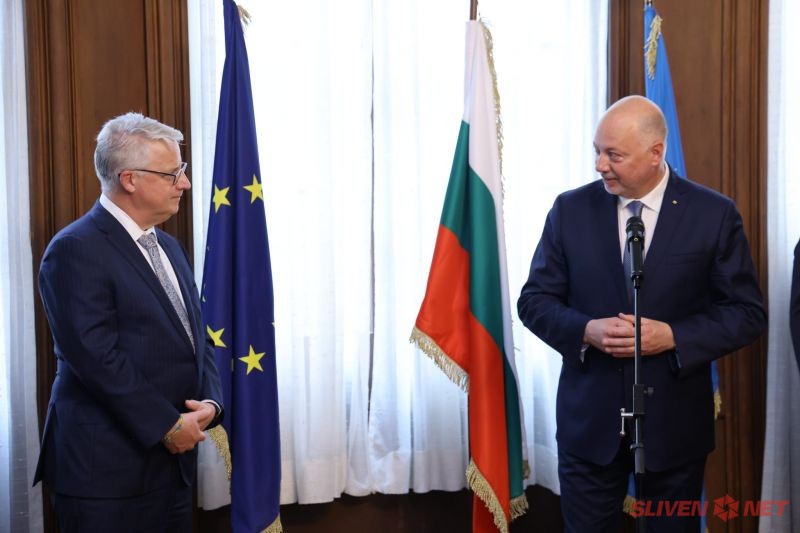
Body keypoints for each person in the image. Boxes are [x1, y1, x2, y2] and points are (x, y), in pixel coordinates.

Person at [517, 95, 766, 532]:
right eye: (597, 151)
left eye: (613, 155)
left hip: (675, 428)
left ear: (656, 152)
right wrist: (586, 330)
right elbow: (534, 301)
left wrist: (674, 336)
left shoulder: (713, 215)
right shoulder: (570, 210)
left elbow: (747, 313)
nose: (600, 165)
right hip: (589, 426)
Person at [34, 112, 224, 532]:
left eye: (182, 171)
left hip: (173, 469)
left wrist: (211, 404)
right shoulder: (74, 249)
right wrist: (167, 426)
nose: (184, 184)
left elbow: (198, 337)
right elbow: (96, 358)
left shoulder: (169, 247)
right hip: (106, 473)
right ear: (130, 179)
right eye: (173, 174)